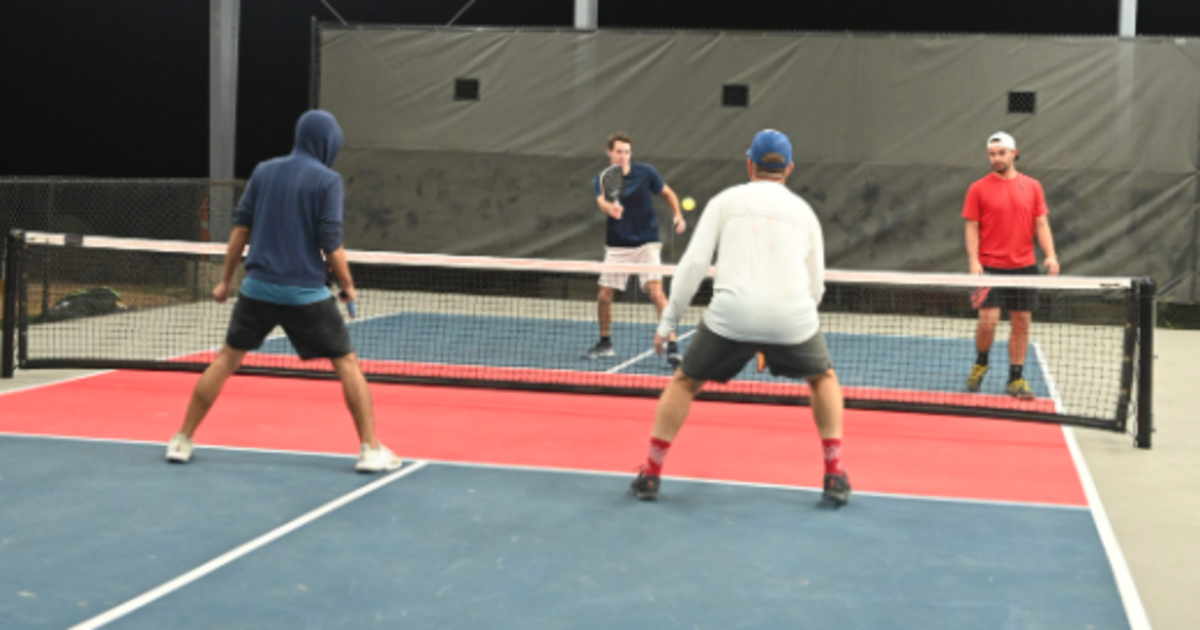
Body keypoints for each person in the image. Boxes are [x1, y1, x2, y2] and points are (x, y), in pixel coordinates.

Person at [165, 110, 401, 473]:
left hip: (256, 291)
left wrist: (226, 281)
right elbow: (331, 243)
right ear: (327, 143)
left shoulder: (264, 171)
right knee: (347, 364)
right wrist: (348, 285)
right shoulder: (328, 181)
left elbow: (240, 231)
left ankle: (182, 439)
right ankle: (370, 449)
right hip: (305, 296)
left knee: (225, 360)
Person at [630, 129, 850, 506]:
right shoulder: (805, 213)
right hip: (792, 317)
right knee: (823, 378)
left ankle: (650, 474)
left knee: (684, 382)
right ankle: (834, 473)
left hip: (730, 316)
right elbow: (816, 287)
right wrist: (790, 326)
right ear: (789, 169)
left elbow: (694, 265)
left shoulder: (725, 201)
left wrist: (668, 322)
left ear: (750, 165)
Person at [963, 132, 1060, 399]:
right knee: (988, 322)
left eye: (1001, 153)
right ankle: (981, 362)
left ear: (1014, 153)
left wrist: (1051, 255)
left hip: (1024, 268)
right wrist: (974, 261)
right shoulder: (977, 188)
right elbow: (971, 227)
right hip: (989, 268)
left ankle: (1015, 378)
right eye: (992, 154)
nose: (996, 158)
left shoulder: (1033, 187)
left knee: (1021, 322)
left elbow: (1041, 224)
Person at [583, 132, 687, 367]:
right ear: (610, 153)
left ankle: (673, 347)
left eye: (627, 152)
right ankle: (605, 343)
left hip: (646, 243)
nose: (623, 156)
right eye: (619, 152)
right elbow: (601, 202)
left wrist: (678, 215)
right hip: (617, 245)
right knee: (604, 295)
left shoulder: (646, 173)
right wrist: (610, 209)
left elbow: (668, 193)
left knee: (656, 293)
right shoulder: (602, 179)